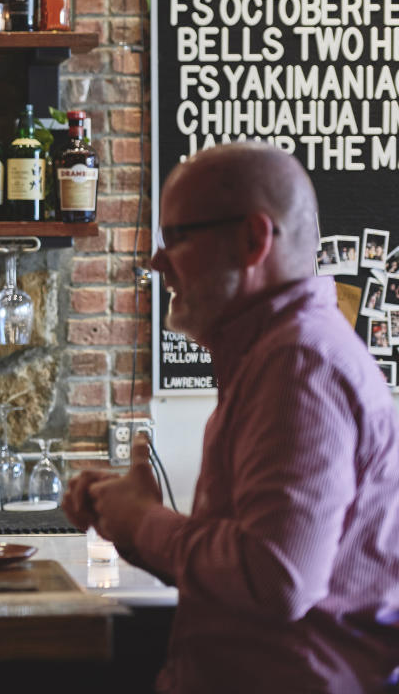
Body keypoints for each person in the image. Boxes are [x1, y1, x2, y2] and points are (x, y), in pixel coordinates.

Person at [64, 143, 399, 693]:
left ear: (252, 240)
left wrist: (145, 521)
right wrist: (126, 519)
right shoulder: (273, 353)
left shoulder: (299, 363)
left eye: (178, 238)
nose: (156, 262)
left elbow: (277, 579)